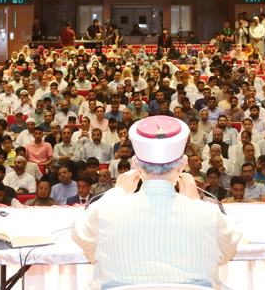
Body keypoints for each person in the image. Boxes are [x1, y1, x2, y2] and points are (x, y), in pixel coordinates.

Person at [72, 115, 240, 289]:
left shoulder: (106, 209)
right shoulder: (208, 214)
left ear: (135, 164)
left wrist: (118, 191)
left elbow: (80, 236)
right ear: (183, 165)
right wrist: (195, 201)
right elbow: (227, 251)